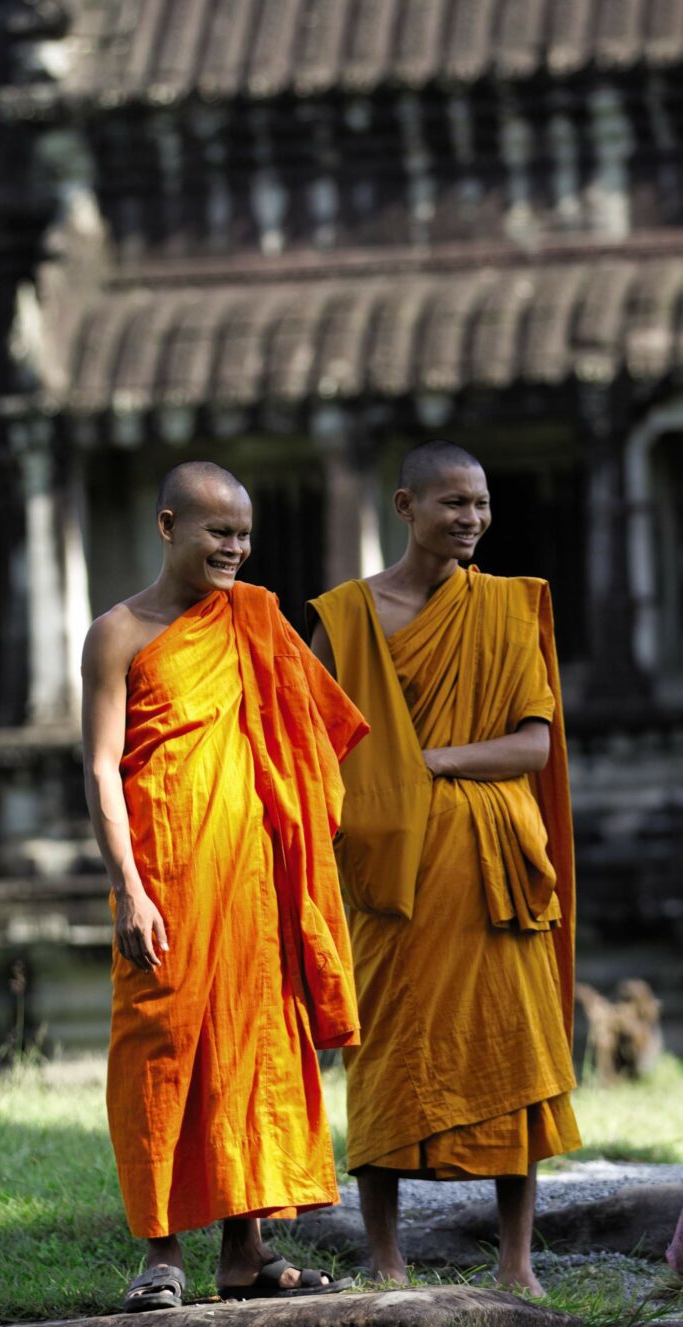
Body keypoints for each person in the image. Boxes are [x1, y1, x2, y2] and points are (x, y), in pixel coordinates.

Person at [82, 460, 368, 1311]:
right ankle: (161, 1249)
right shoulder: (120, 633)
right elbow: (100, 765)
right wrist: (128, 885)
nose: (234, 548)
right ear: (168, 526)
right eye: (218, 531)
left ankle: (246, 1250)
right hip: (163, 880)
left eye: (243, 534)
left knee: (256, 1054)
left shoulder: (257, 620)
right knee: (157, 1054)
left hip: (252, 884)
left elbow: (310, 735)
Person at [308, 440, 580, 1295]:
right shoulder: (347, 617)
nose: (472, 519)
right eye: (453, 503)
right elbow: (315, 743)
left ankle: (516, 1260)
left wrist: (433, 761)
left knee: (515, 1052)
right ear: (405, 508)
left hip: (497, 865)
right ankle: (385, 1255)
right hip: (391, 871)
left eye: (482, 504)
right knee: (387, 1047)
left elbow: (533, 743)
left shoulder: (506, 609)